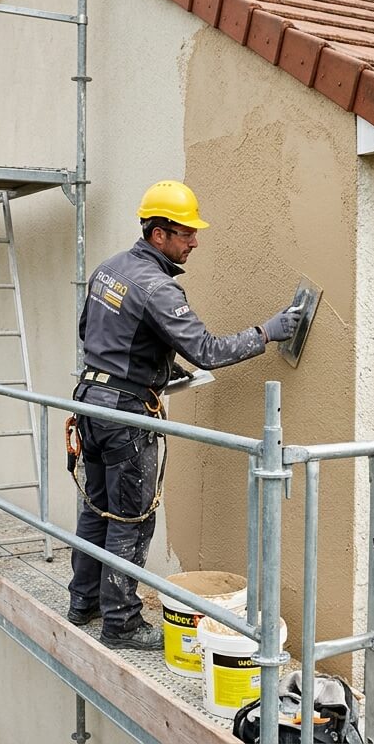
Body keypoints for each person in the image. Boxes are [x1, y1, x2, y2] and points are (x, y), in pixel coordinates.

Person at [66, 179, 300, 650]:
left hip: (89, 403)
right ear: (159, 234)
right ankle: (122, 624)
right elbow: (208, 351)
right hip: (125, 418)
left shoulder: (109, 270)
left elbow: (92, 331)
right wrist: (268, 332)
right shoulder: (159, 289)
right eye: (186, 233)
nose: (194, 241)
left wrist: (157, 367)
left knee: (97, 508)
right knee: (131, 519)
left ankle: (83, 603)